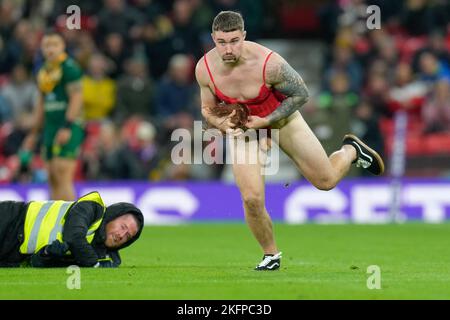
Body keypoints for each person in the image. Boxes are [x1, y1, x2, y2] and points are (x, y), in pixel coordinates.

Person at [195, 11, 384, 271]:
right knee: (251, 198)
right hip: (246, 127)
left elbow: (301, 94)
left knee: (326, 181)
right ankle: (271, 255)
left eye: (234, 41)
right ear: (213, 39)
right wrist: (223, 124)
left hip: (282, 119)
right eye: (221, 42)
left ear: (244, 36)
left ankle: (350, 150)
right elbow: (207, 110)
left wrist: (267, 120)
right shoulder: (204, 69)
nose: (228, 48)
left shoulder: (269, 63)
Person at [0, 191, 144, 268]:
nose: (121, 235)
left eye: (128, 236)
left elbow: (36, 263)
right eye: (123, 227)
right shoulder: (92, 207)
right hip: (12, 218)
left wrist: (47, 253)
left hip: (13, 254)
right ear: (114, 216)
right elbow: (73, 236)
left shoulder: (91, 252)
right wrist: (96, 265)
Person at [21, 31, 85, 201]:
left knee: (62, 172)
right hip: (50, 126)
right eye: (47, 45)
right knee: (51, 176)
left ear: (62, 47)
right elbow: (41, 104)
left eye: (54, 45)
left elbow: (77, 98)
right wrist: (34, 133)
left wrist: (67, 126)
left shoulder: (69, 68)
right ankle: (57, 220)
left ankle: (73, 221)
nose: (50, 49)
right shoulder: (43, 72)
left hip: (68, 125)